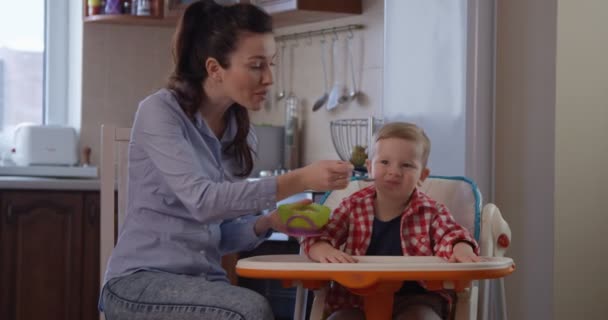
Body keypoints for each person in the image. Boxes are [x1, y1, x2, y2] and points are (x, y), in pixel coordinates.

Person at [99, 1, 353, 319]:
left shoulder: (242, 135)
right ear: (215, 69)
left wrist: (268, 222)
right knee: (250, 309)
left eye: (271, 64)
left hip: (203, 284)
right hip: (138, 285)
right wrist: (299, 180)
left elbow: (218, 234)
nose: (270, 78)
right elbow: (204, 202)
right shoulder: (160, 111)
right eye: (257, 65)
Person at [302, 122, 480, 320]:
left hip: (418, 298)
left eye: (406, 165)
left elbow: (451, 234)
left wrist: (461, 248)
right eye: (385, 162)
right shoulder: (352, 206)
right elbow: (319, 236)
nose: (394, 171)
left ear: (422, 176)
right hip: (356, 299)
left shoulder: (431, 211)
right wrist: (323, 249)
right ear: (369, 167)